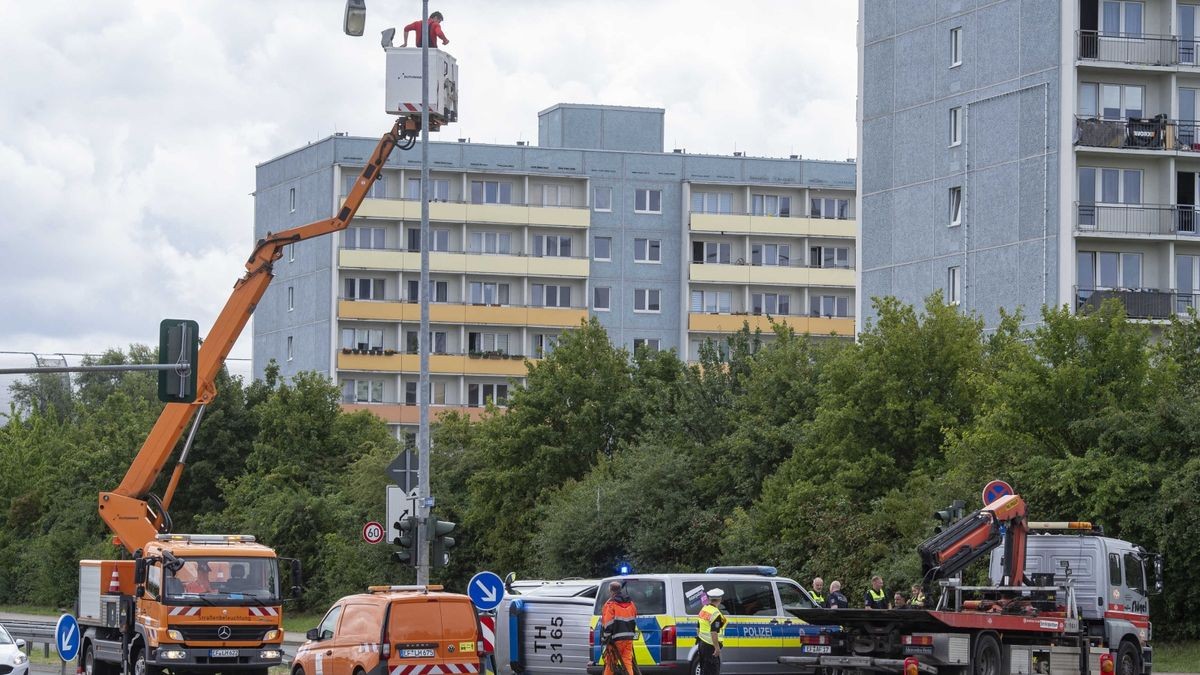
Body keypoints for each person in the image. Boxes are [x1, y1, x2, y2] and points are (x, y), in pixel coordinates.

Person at [601, 581, 638, 675]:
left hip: (615, 640)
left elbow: (608, 624)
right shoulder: (631, 603)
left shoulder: (610, 604)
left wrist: (606, 638)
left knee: (610, 663)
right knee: (627, 662)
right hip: (628, 638)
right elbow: (634, 618)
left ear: (610, 590)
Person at [696, 588, 727, 675]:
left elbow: (698, 627)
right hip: (710, 647)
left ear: (710, 599)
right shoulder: (715, 613)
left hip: (702, 644)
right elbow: (714, 632)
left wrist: (701, 641)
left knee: (704, 670)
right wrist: (717, 648)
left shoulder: (704, 609)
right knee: (712, 671)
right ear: (720, 599)